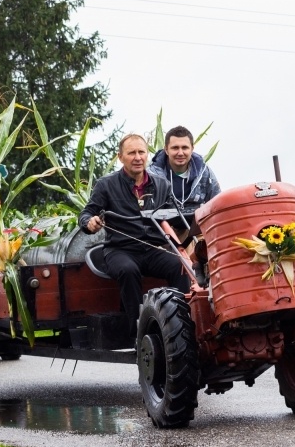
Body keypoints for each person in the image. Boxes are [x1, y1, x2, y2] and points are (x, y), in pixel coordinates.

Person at [79, 134, 190, 335]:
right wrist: (90, 222)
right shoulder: (106, 184)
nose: (138, 157)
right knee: (128, 270)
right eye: (132, 153)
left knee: (180, 266)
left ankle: (183, 326)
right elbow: (87, 214)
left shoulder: (161, 184)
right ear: (120, 157)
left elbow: (171, 219)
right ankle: (138, 333)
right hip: (120, 249)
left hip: (153, 249)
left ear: (147, 155)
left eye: (141, 152)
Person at [147, 125, 221, 217]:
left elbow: (218, 203)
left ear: (192, 149)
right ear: (166, 150)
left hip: (196, 226)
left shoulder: (204, 172)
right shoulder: (151, 176)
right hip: (162, 226)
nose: (180, 153)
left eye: (185, 148)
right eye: (175, 148)